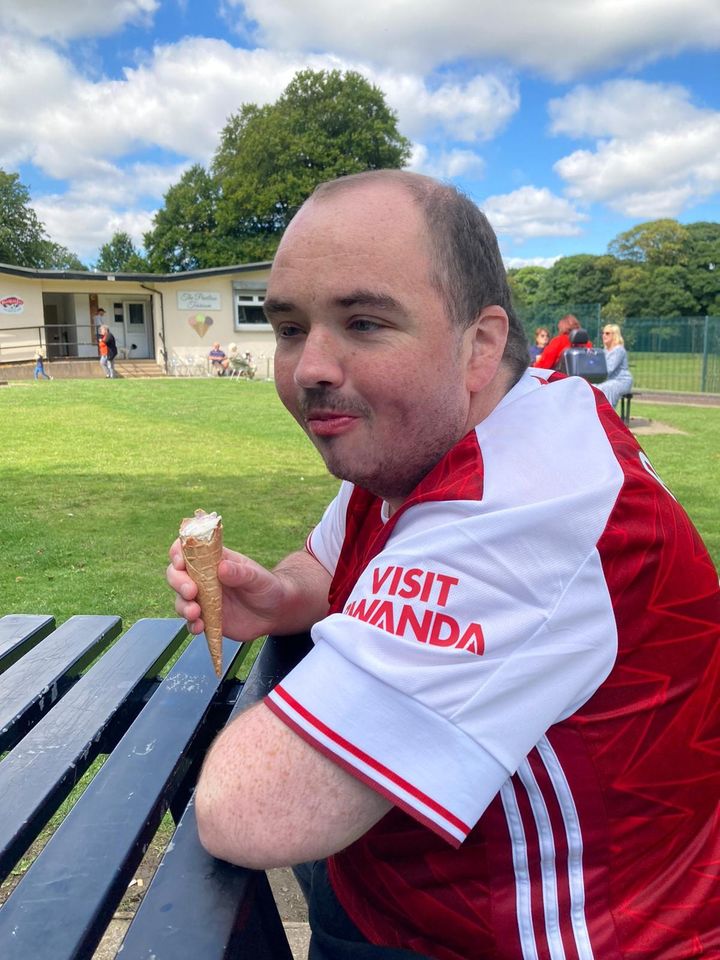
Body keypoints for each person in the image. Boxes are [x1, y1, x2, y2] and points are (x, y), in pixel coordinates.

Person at [167, 170, 720, 959]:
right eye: (289, 327)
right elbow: (327, 557)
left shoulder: (521, 506)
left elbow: (249, 809)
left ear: (480, 345)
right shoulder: (438, 434)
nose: (310, 367)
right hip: (407, 897)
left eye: (363, 322)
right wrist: (283, 593)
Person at [597, 323, 633, 407]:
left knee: (606, 388)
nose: (604, 335)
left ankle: (607, 412)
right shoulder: (604, 351)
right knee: (593, 387)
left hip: (621, 381)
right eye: (603, 333)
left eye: (607, 333)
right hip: (609, 380)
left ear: (615, 335)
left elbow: (609, 369)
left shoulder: (619, 350)